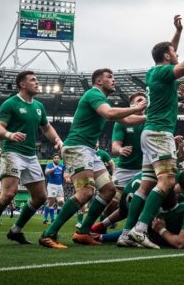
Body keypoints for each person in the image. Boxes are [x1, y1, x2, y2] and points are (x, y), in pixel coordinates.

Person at [117, 17, 184, 249]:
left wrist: (177, 32)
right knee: (167, 181)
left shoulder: (153, 72)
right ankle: (140, 229)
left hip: (150, 132)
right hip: (159, 133)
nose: (176, 53)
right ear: (166, 57)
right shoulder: (164, 72)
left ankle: (126, 232)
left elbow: (167, 54)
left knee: (146, 185)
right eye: (173, 51)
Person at [38, 68, 146, 249]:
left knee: (109, 190)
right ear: (98, 82)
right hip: (77, 148)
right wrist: (136, 107)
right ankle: (48, 234)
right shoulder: (93, 94)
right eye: (109, 77)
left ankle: (83, 232)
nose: (114, 80)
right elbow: (110, 114)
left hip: (88, 150)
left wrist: (149, 116)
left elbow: (126, 120)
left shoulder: (102, 100)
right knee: (86, 191)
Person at [0, 70, 66, 248]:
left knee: (40, 196)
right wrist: (10, 134)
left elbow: (46, 127)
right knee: (8, 193)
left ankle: (16, 230)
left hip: (31, 155)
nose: (37, 83)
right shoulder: (11, 104)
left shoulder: (39, 106)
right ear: (22, 84)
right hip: (12, 152)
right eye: (33, 80)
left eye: (37, 80)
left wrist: (58, 140)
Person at [91, 92, 148, 234]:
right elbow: (114, 147)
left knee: (143, 200)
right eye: (139, 100)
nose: (143, 102)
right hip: (125, 169)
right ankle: (103, 220)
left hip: (144, 169)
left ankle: (138, 229)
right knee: (115, 201)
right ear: (132, 106)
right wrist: (120, 150)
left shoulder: (151, 121)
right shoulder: (122, 122)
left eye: (145, 100)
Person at [43, 154, 68, 224]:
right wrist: (53, 169)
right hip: (52, 185)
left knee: (61, 202)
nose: (56, 159)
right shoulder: (50, 165)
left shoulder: (62, 165)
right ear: (53, 159)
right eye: (55, 158)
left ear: (59, 159)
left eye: (58, 158)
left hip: (60, 185)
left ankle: (56, 219)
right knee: (51, 203)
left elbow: (65, 173)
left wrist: (67, 178)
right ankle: (45, 219)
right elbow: (46, 172)